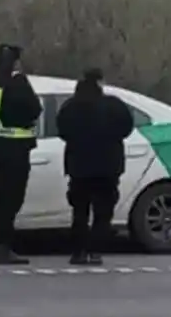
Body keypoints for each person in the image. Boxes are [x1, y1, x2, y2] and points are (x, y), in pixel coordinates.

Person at [56, 68, 134, 265]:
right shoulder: (114, 106)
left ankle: (79, 252)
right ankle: (96, 250)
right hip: (108, 166)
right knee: (103, 210)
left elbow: (62, 131)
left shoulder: (70, 107)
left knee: (80, 211)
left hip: (79, 167)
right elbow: (127, 128)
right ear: (100, 82)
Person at [0, 44, 43, 265]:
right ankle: (4, 248)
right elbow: (35, 109)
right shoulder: (19, 83)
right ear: (16, 62)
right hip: (16, 148)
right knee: (12, 200)